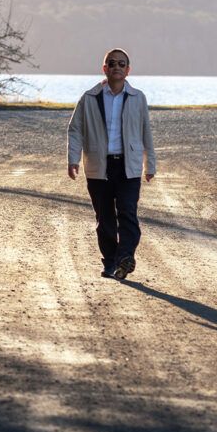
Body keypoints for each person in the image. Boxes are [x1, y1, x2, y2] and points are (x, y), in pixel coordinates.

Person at [67, 48, 156, 280]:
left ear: (128, 70)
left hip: (129, 166)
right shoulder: (89, 98)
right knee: (104, 218)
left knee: (128, 213)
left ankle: (125, 257)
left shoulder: (138, 98)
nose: (117, 67)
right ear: (104, 68)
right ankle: (110, 262)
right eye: (112, 63)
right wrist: (73, 159)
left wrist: (151, 164)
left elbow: (146, 132)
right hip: (99, 167)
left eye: (121, 64)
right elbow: (75, 130)